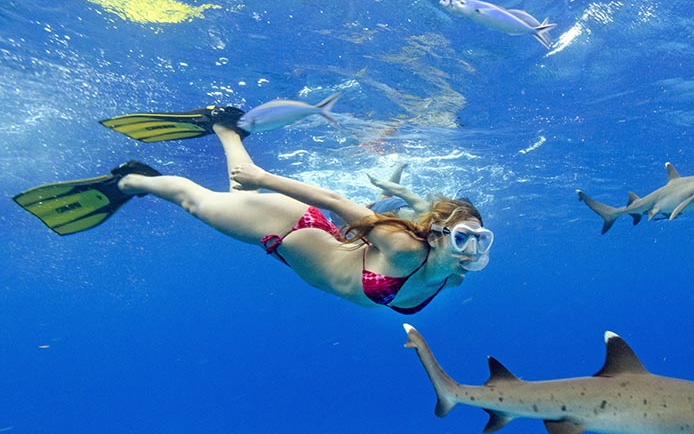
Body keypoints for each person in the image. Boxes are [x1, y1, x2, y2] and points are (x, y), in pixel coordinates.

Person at [13, 107, 494, 315]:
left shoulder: (451, 278)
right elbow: (332, 200)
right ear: (436, 237)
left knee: (231, 194)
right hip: (286, 225)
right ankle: (129, 180)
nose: (470, 247)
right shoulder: (404, 247)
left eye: (479, 239)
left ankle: (226, 128)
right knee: (195, 201)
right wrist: (264, 179)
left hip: (303, 239)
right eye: (462, 237)